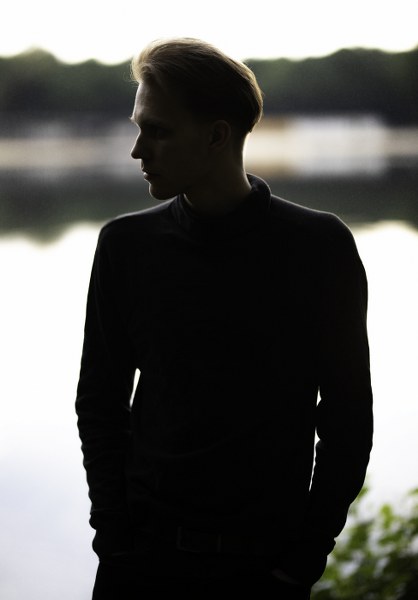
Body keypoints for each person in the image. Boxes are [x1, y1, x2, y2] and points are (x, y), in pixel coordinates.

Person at [76, 38, 373, 599]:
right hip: (139, 564)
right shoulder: (125, 245)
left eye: (157, 131)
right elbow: (100, 402)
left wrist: (305, 559)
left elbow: (348, 420)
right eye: (139, 129)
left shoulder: (319, 247)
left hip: (262, 572)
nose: (137, 150)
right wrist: (113, 537)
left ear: (216, 136)